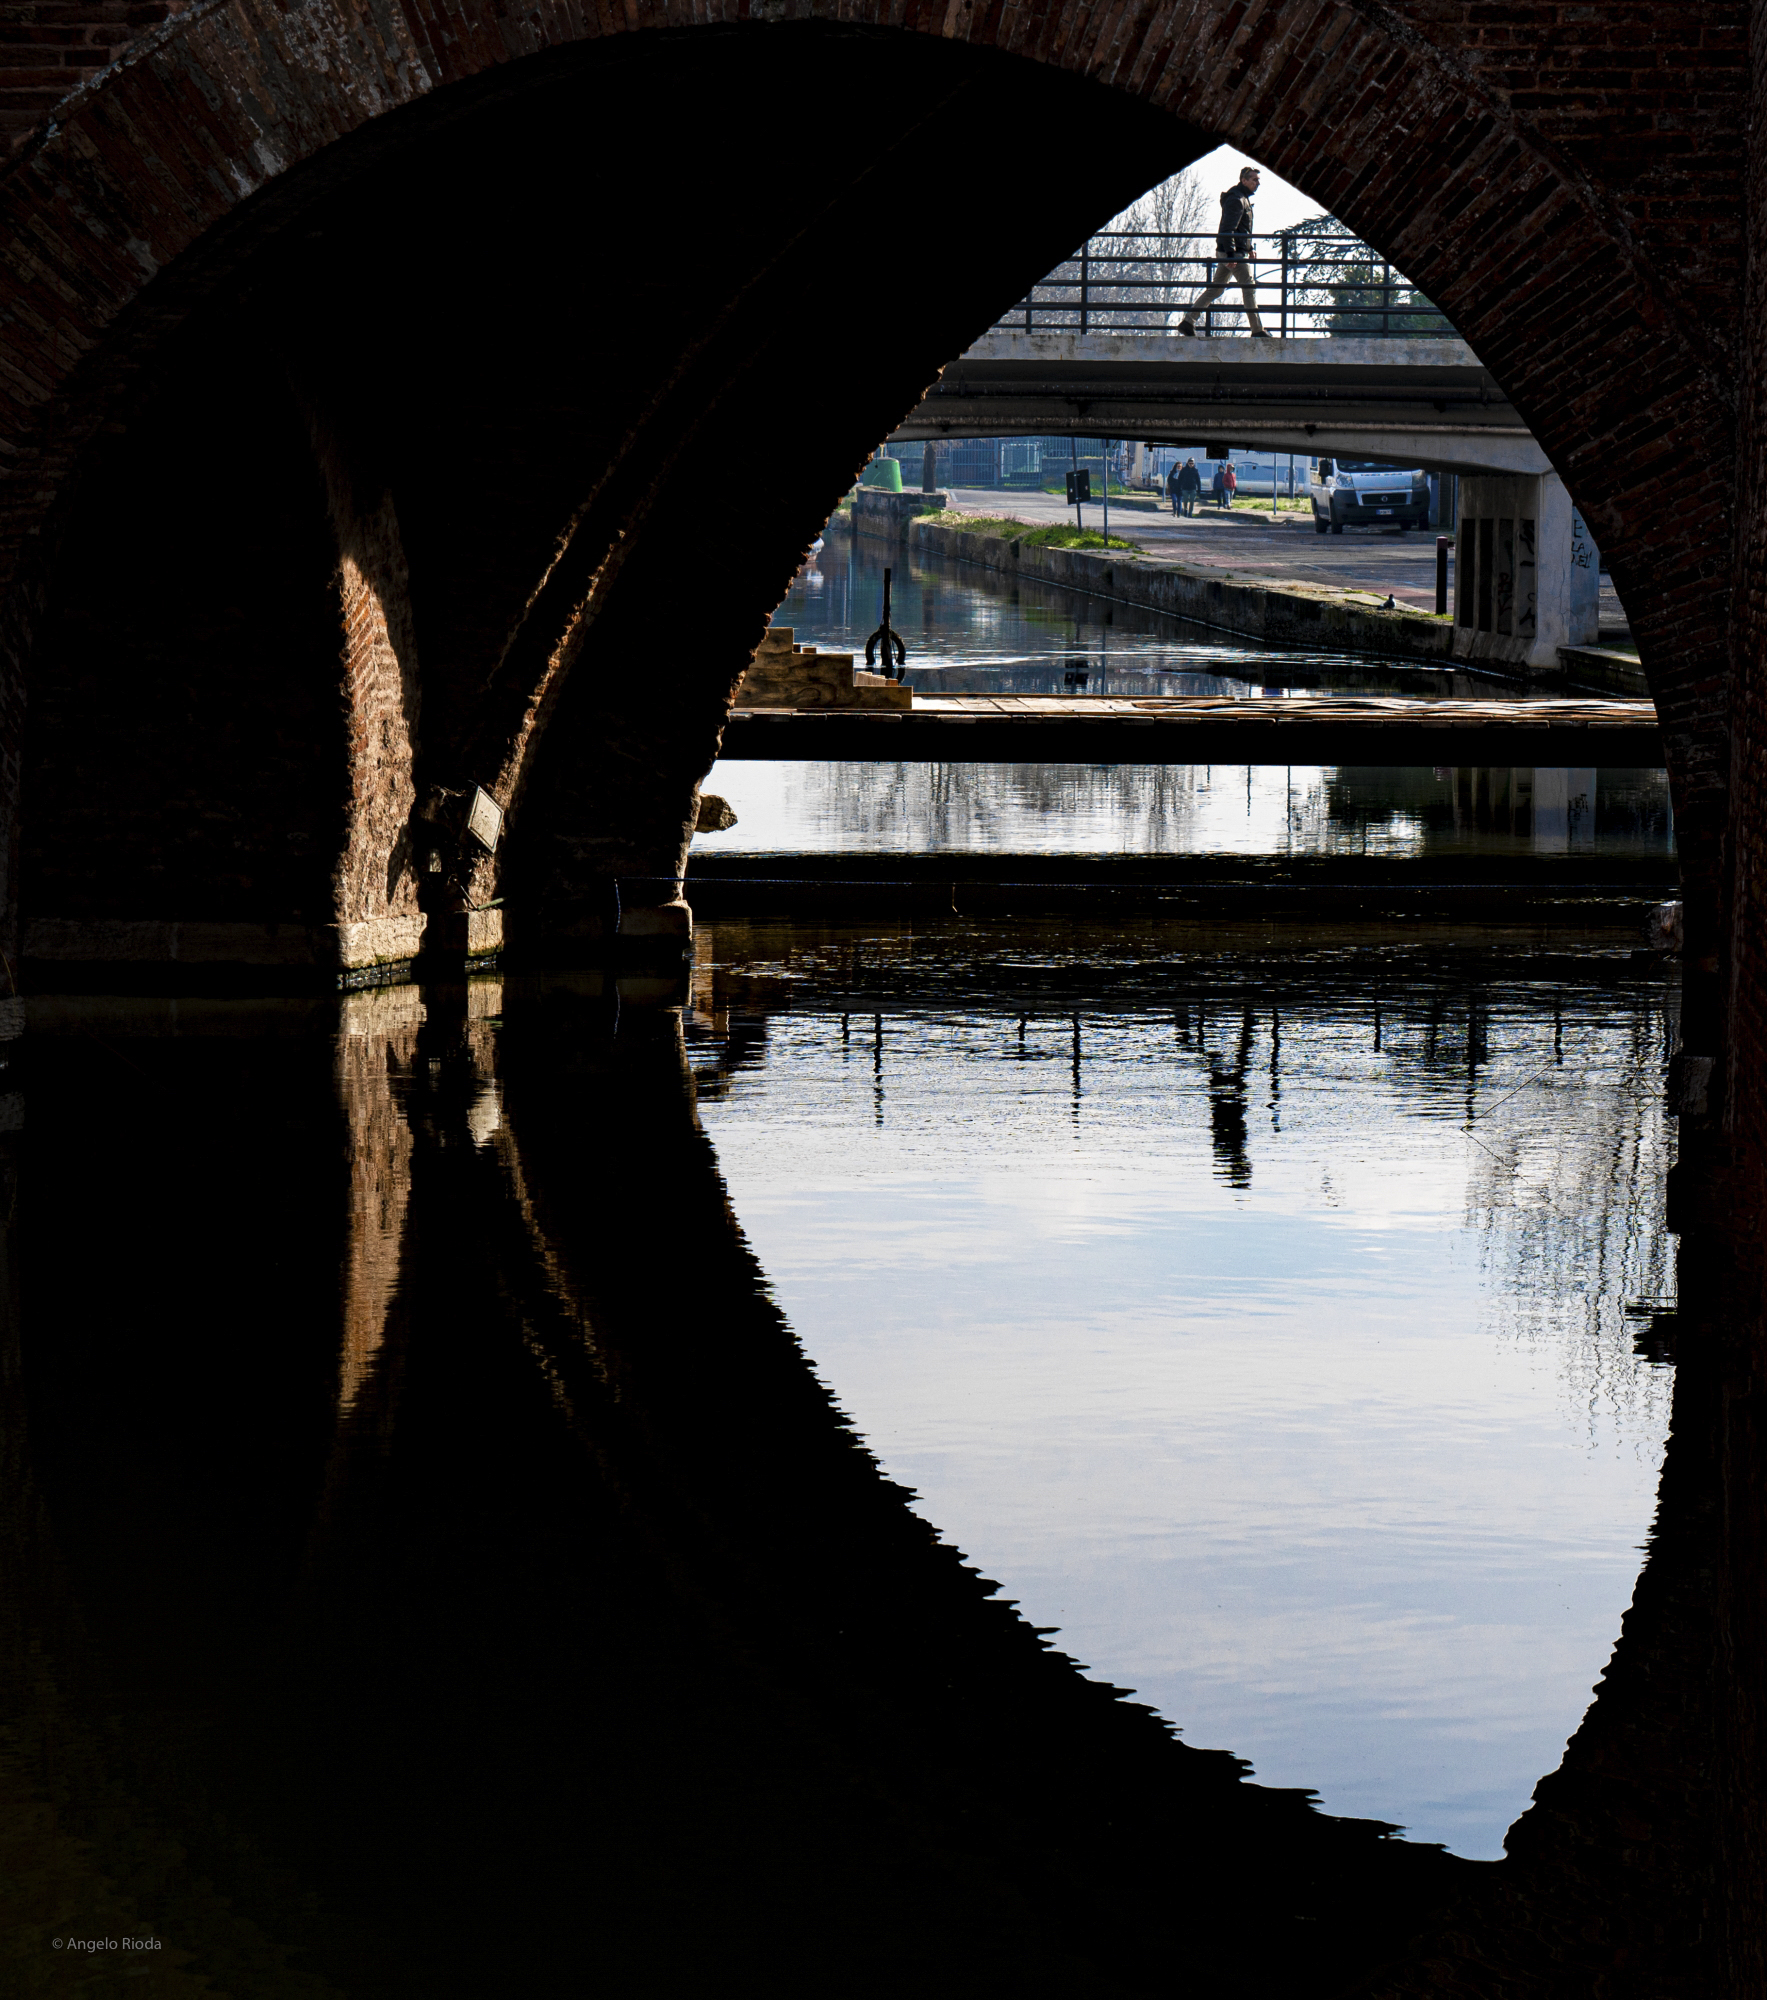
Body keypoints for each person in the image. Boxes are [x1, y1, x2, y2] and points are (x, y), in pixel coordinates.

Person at [1176, 167, 1268, 338]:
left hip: (1229, 252)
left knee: (1216, 289)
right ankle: (1257, 330)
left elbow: (1240, 229)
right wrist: (1231, 255)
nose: (1258, 183)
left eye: (1258, 180)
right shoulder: (1237, 200)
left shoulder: (1241, 198)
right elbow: (1228, 229)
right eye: (1254, 180)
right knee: (1249, 287)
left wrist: (1249, 248)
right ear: (1244, 180)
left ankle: (1188, 321)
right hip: (1233, 254)